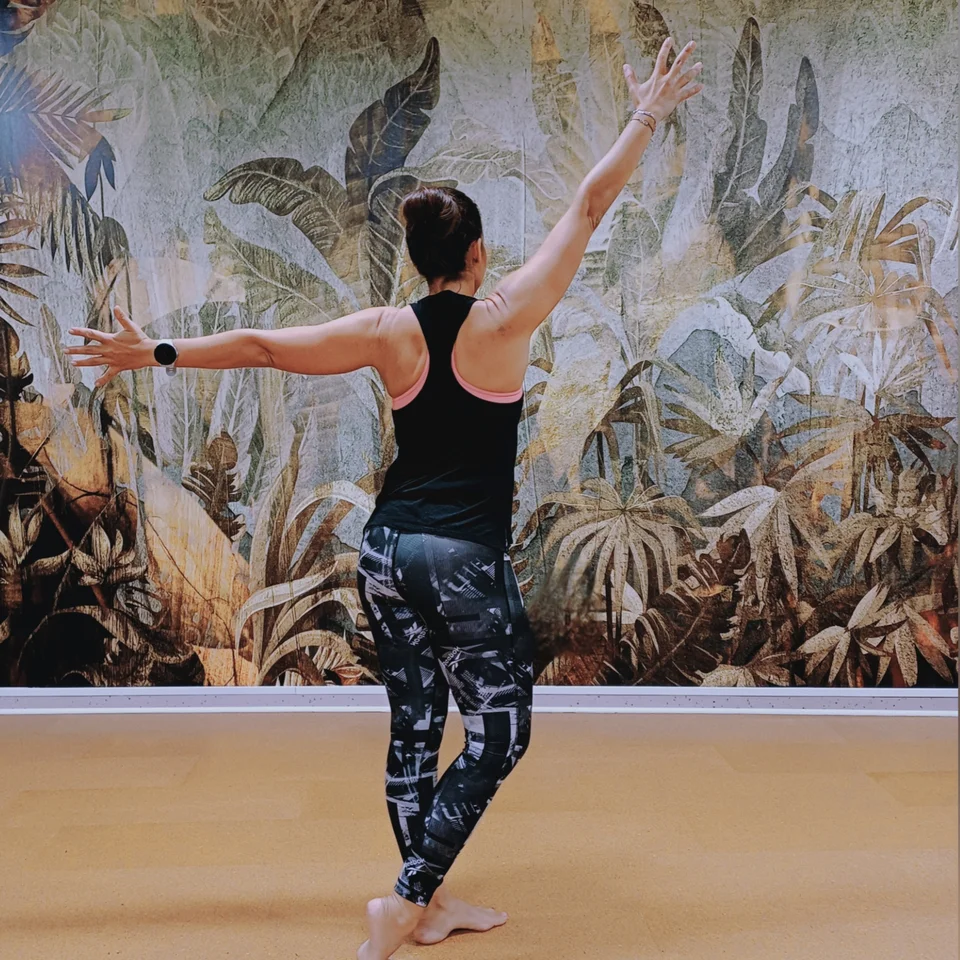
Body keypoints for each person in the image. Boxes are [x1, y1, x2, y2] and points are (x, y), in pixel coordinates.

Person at [65, 38, 703, 960]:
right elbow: (589, 205)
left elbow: (261, 346)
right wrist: (647, 113)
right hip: (458, 560)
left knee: (415, 723)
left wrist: (154, 352)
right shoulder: (508, 312)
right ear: (478, 253)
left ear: (417, 259)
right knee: (503, 732)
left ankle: (428, 901)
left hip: (387, 552)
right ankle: (405, 901)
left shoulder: (385, 332)